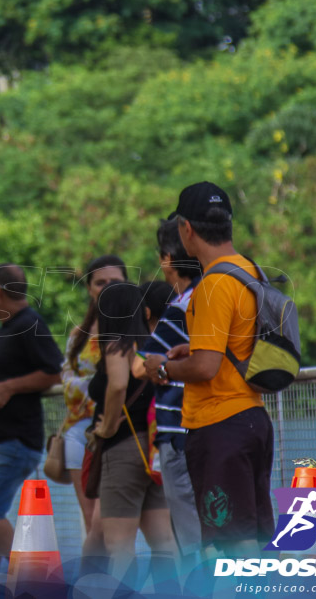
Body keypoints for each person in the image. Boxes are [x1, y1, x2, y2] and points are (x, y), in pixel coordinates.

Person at [144, 181, 274, 558]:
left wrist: (165, 367)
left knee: (231, 547)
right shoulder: (249, 270)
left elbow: (205, 366)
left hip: (221, 427)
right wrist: (193, 349)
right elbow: (235, 343)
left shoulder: (213, 284)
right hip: (252, 420)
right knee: (254, 539)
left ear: (186, 229)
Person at [0, 263, 63, 575]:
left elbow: (54, 370)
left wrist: (8, 387)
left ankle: (37, 578)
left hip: (10, 442)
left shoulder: (29, 323)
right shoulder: (9, 326)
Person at [88, 281, 176, 580]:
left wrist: (107, 428)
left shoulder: (117, 342)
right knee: (163, 539)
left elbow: (117, 385)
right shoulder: (152, 344)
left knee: (118, 544)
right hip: (154, 445)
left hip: (125, 447)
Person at [134, 222, 203, 568]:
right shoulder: (214, 294)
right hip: (216, 430)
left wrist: (159, 366)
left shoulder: (180, 307)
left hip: (179, 435)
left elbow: (140, 367)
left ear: (167, 260)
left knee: (191, 540)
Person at [61, 255, 127, 548]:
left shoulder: (137, 327)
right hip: (80, 432)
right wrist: (105, 386)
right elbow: (66, 380)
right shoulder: (79, 334)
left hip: (124, 430)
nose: (108, 287)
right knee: (92, 522)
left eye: (115, 282)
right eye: (101, 282)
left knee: (117, 524)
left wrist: (96, 386)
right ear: (89, 288)